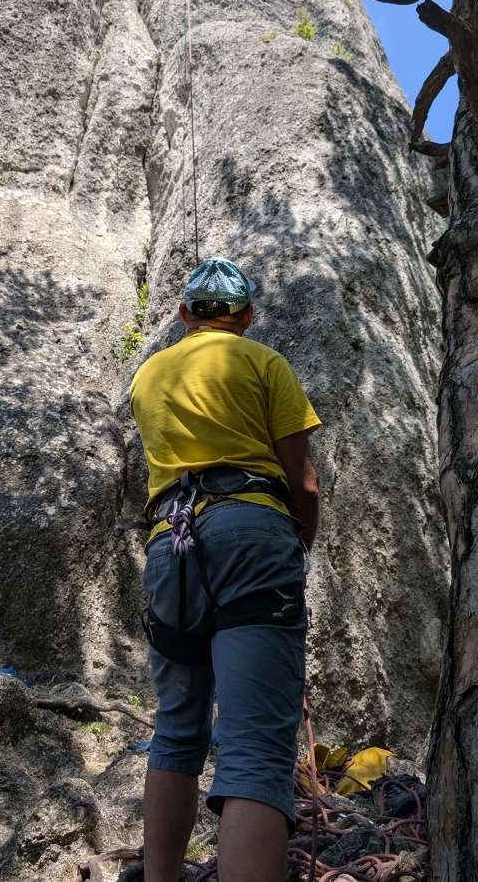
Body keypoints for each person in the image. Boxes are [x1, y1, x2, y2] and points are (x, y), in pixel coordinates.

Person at [129, 256, 321, 882]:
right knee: (256, 742)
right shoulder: (265, 362)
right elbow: (305, 483)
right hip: (250, 533)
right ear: (247, 316)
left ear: (185, 313)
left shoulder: (148, 374)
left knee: (177, 730)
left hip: (170, 544)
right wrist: (301, 545)